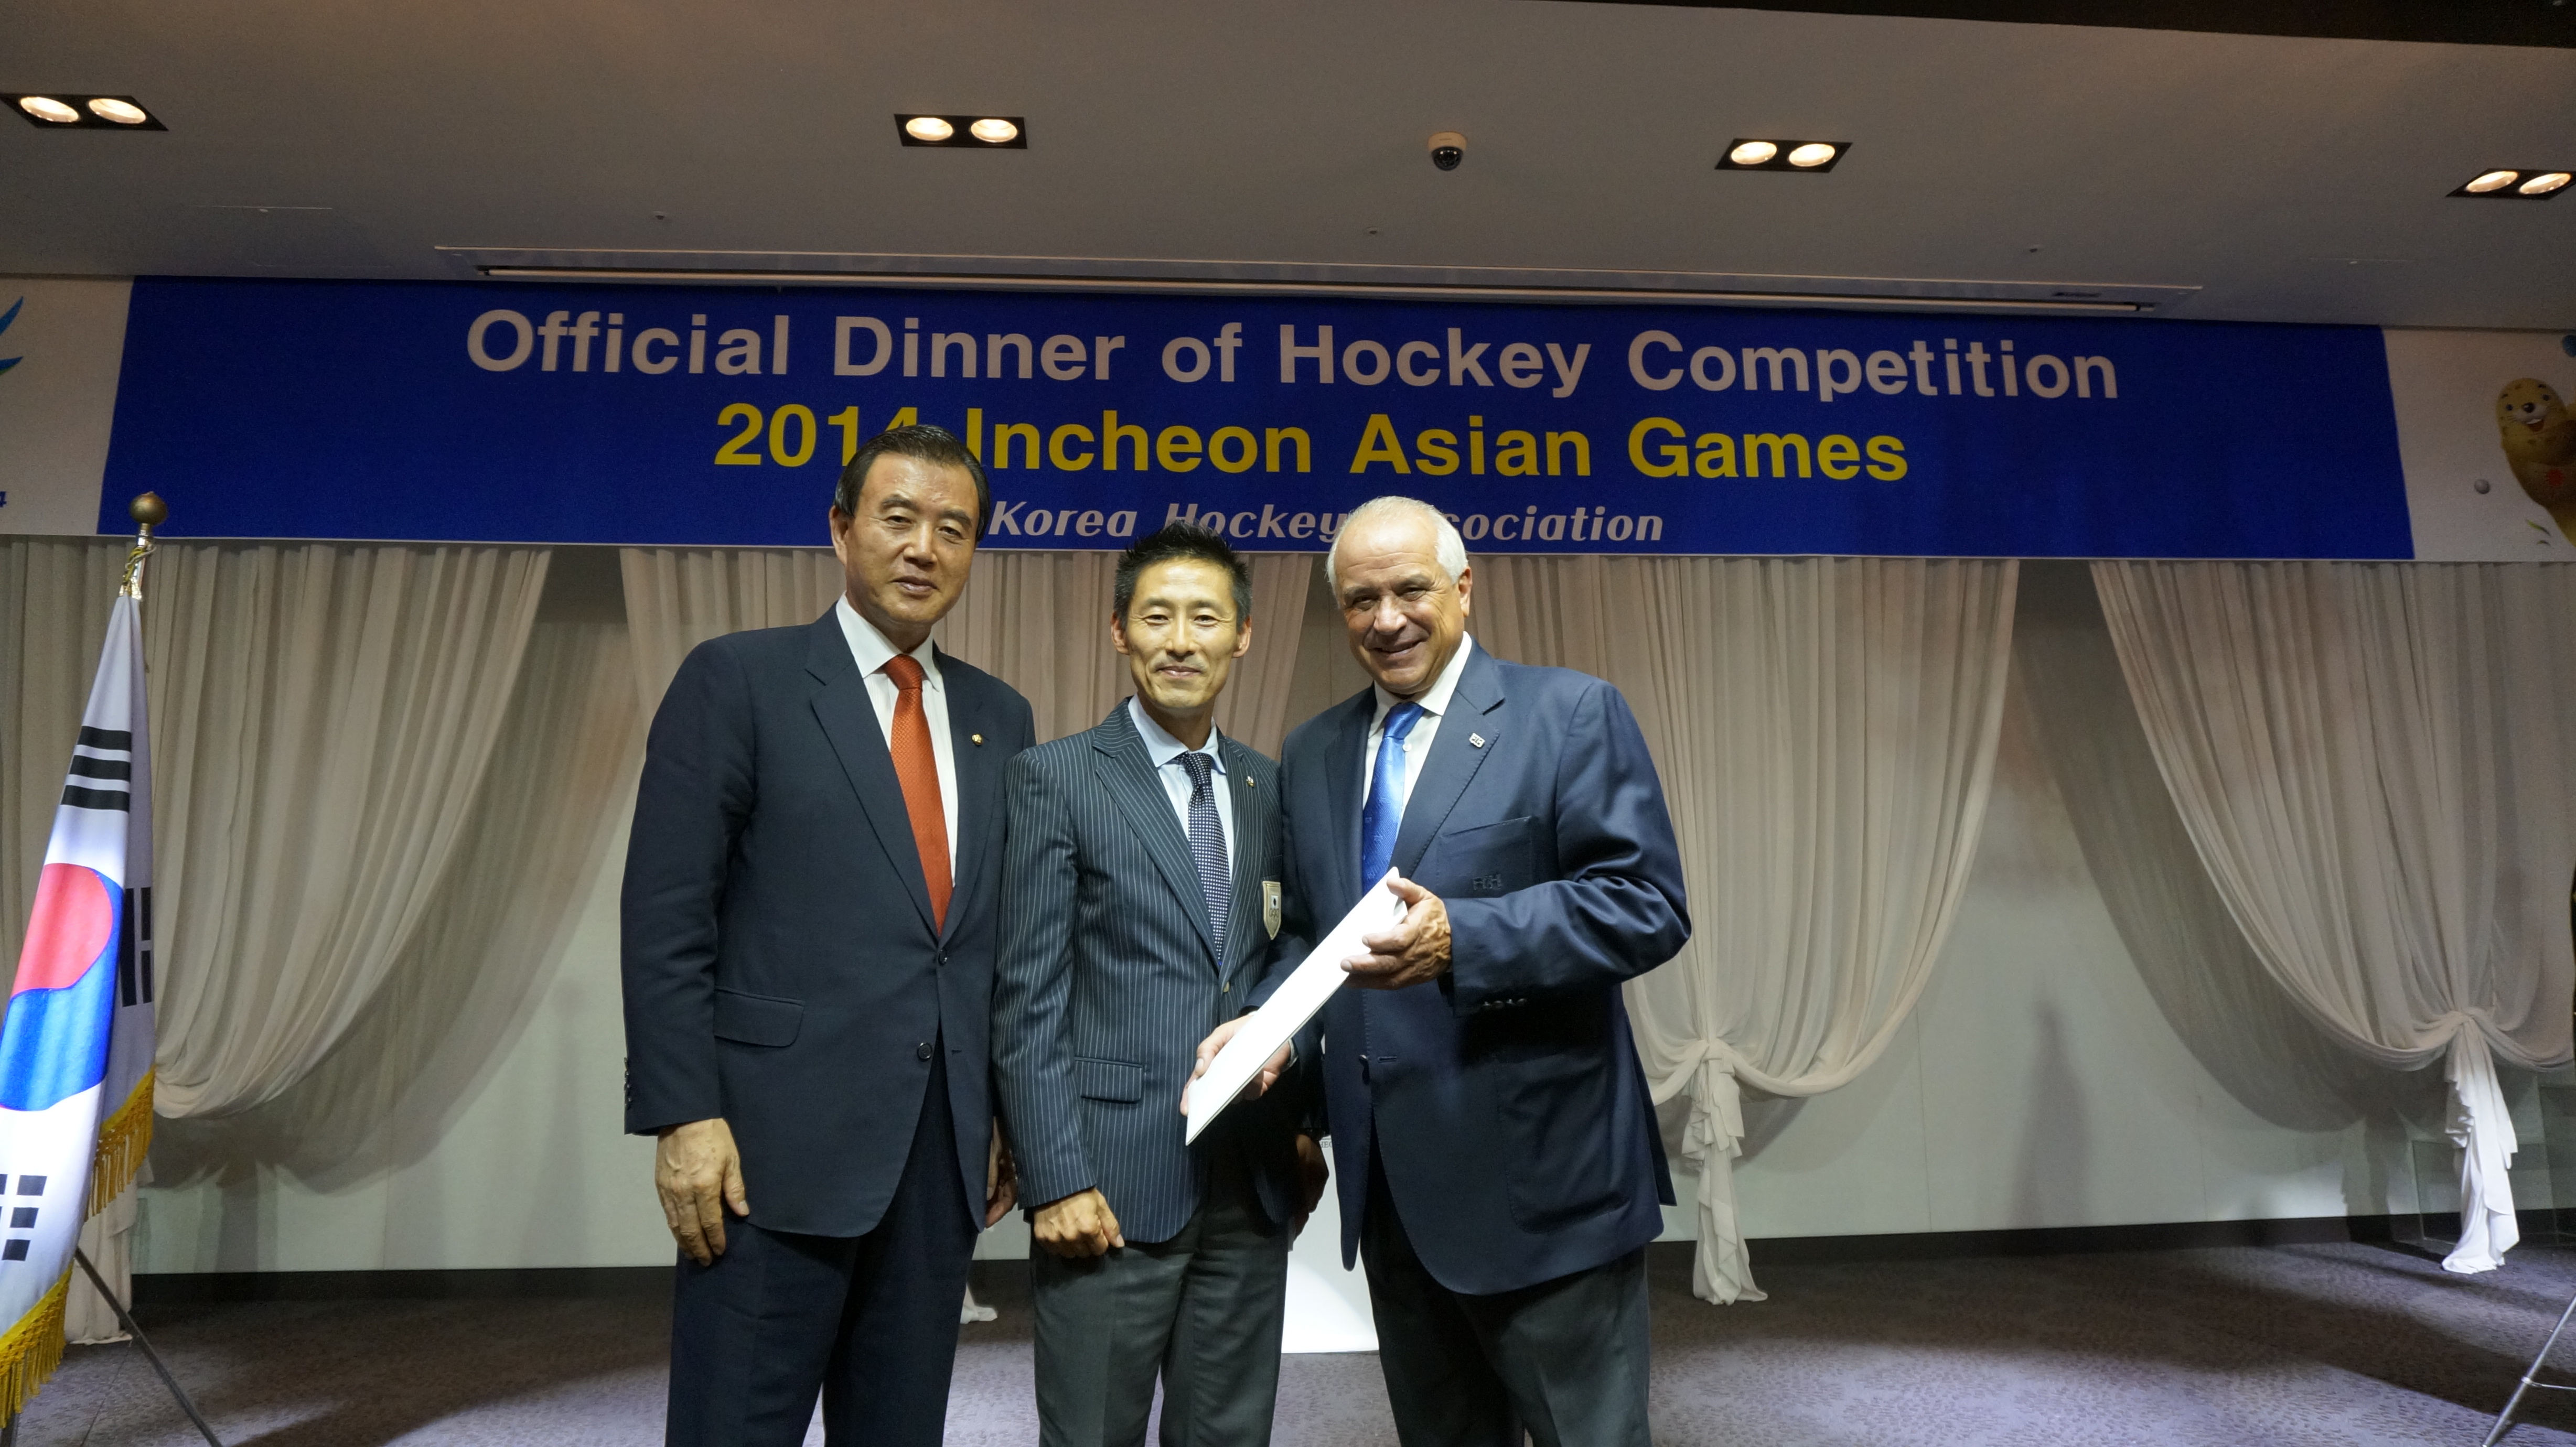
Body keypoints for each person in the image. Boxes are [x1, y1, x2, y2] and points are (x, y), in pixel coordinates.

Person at [1193, 495, 1689, 1447]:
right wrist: (1268, 1028)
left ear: (1464, 587)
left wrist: (1466, 937)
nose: (1386, 620)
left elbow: (1645, 906)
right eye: (1360, 601)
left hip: (1549, 1191)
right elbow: (1311, 937)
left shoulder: (1569, 713)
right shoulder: (1315, 750)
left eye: (1410, 591)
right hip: (1393, 1198)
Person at [621, 423, 1035, 1446]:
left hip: (937, 1163)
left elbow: (989, 940)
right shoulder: (739, 680)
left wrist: (1000, 1113)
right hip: (765, 1157)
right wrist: (683, 1115)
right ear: (841, 529)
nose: (923, 547)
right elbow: (667, 916)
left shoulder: (1001, 716)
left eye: (953, 528)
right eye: (898, 519)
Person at [994, 523, 1326, 1447]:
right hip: (1107, 1187)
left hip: (1250, 1185)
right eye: (1157, 617)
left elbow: (1294, 954)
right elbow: (1026, 998)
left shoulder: (1269, 787)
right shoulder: (1055, 779)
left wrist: (1304, 1121)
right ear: (1120, 631)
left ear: (1243, 636)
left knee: (1228, 1434)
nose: (1181, 641)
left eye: (1205, 618)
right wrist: (1054, 1178)